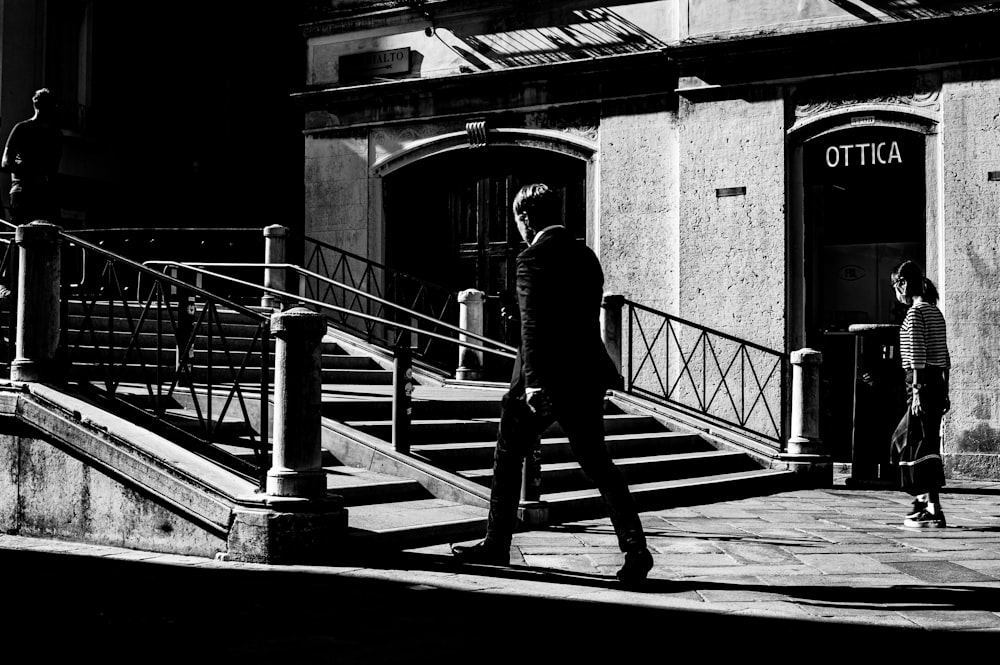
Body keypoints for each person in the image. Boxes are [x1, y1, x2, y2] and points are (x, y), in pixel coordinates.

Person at [451, 183, 653, 584]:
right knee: (600, 465)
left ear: (525, 217)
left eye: (517, 222)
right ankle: (635, 548)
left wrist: (534, 383)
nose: (519, 230)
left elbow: (533, 325)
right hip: (584, 378)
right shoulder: (586, 257)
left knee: (507, 460)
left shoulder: (532, 258)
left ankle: (496, 544)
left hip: (541, 381)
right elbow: (578, 321)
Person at [889, 260, 951, 528]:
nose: (895, 292)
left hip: (920, 385)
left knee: (910, 443)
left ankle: (930, 507)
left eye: (894, 286)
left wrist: (916, 393)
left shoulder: (915, 314)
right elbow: (945, 357)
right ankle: (924, 502)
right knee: (919, 442)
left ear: (902, 283)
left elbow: (917, 358)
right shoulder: (935, 312)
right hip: (936, 383)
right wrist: (945, 390)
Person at [1, 88, 63, 224]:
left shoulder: (55, 135)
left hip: (43, 194)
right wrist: (31, 173)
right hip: (24, 192)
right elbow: (5, 162)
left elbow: (53, 170)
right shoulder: (22, 129)